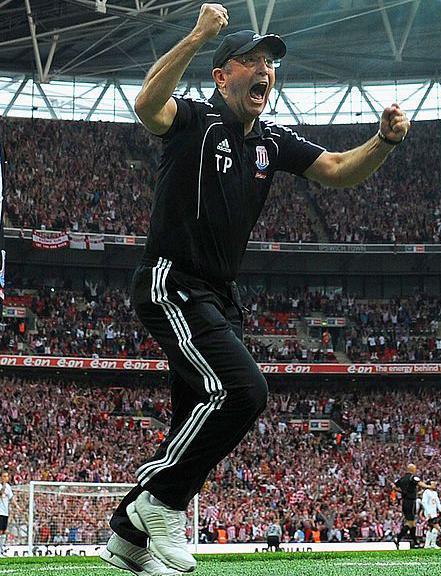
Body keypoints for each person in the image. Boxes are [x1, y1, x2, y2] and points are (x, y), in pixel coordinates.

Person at [103, 4, 410, 574]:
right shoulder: (195, 119)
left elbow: (339, 168)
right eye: (251, 60)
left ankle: (127, 532)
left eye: (270, 62)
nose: (265, 70)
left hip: (219, 296)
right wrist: (199, 35)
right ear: (222, 75)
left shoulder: (272, 140)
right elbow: (146, 104)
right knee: (244, 391)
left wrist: (383, 142)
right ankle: (159, 503)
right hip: (172, 281)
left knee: (194, 418)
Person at [394, 464, 433, 548]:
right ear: (412, 469)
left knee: (413, 523)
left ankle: (415, 543)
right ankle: (398, 538)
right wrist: (429, 487)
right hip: (411, 502)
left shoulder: (402, 478)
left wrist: (403, 492)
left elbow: (394, 486)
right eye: (415, 469)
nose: (416, 470)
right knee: (410, 523)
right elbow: (419, 483)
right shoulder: (412, 477)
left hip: (404, 502)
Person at [420, 483, 441, 549]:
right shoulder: (426, 492)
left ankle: (427, 545)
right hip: (429, 513)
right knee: (437, 528)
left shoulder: (435, 493)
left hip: (434, 513)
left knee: (431, 529)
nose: (435, 484)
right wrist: (428, 512)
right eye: (433, 483)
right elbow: (424, 503)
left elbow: (438, 503)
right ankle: (433, 544)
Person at [0, 471, 15, 555]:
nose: (6, 478)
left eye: (7, 476)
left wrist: (18, 507)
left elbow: (11, 498)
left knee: (4, 531)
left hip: (5, 512)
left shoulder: (8, 487)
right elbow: (1, 493)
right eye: (4, 476)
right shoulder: (1, 486)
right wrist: (4, 485)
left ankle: (1, 550)